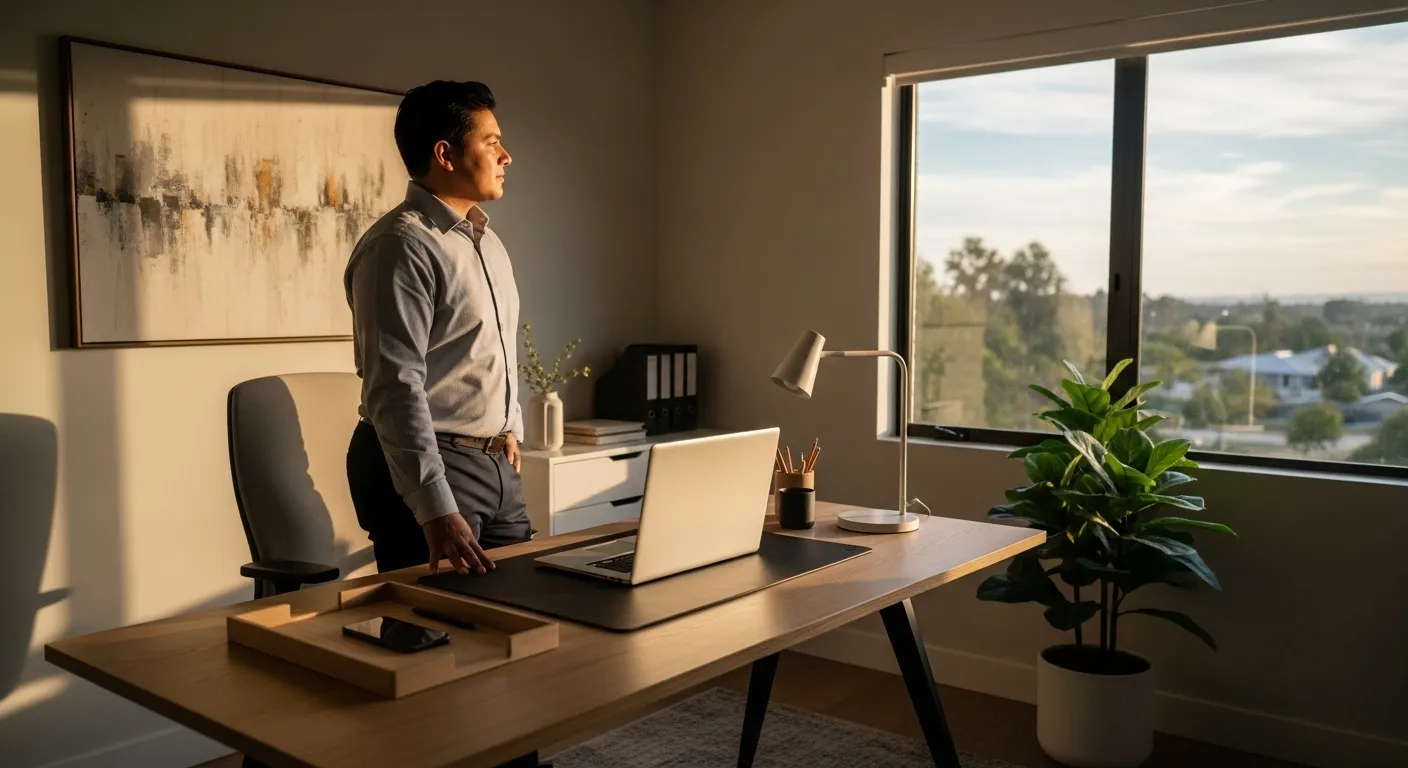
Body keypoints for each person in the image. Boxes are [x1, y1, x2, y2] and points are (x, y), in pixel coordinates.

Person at [344, 80, 528, 577]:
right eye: (491, 142)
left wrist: (508, 424)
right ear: (445, 154)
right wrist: (434, 505)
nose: (505, 155)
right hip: (433, 462)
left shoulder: (486, 242)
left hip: (493, 463)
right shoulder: (399, 247)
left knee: (525, 618)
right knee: (431, 636)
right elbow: (393, 386)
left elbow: (488, 351)